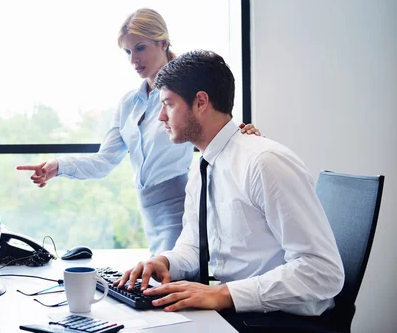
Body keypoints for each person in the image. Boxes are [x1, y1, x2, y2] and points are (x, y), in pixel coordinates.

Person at [115, 50, 344, 331]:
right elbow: (192, 246)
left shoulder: (264, 162)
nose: (160, 117)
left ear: (200, 102)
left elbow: (323, 272)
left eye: (168, 104)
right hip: (236, 312)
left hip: (280, 320)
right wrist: (165, 262)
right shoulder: (203, 167)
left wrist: (224, 294)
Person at [17, 9, 260, 255]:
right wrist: (57, 166)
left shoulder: (185, 95)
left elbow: (215, 131)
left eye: (140, 48)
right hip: (148, 211)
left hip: (180, 206)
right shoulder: (128, 104)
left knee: (171, 280)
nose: (134, 60)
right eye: (128, 52)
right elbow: (104, 161)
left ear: (163, 42)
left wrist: (241, 134)